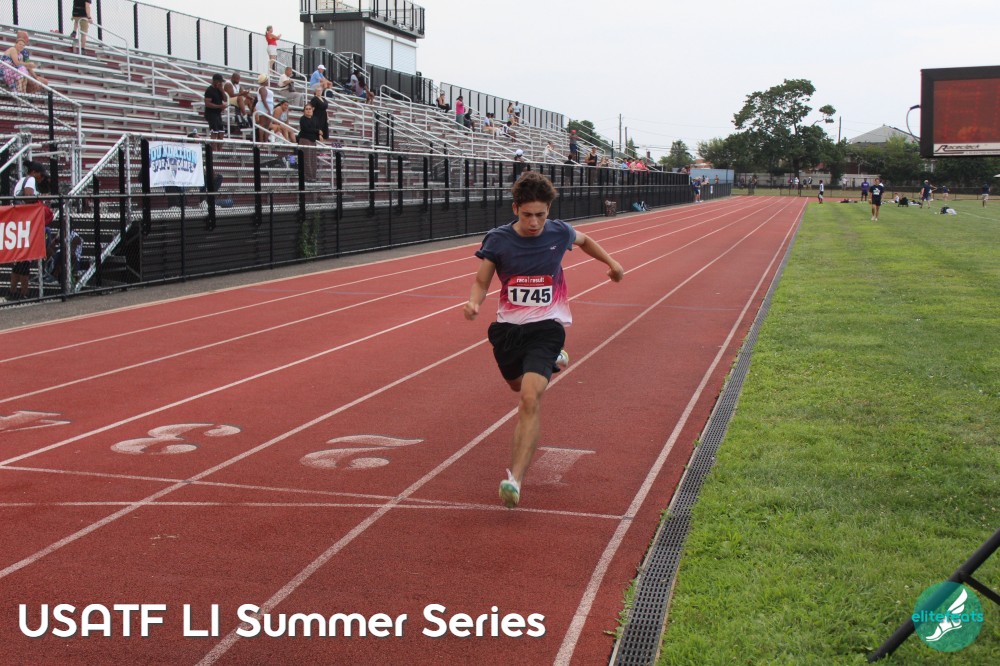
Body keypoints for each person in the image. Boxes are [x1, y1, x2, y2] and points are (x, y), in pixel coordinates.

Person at [463, 171, 624, 508]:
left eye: (540, 214)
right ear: (515, 209)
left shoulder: (559, 231)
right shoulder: (498, 240)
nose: (534, 222)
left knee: (529, 399)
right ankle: (554, 362)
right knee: (515, 385)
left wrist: (612, 263)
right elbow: (481, 280)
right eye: (527, 215)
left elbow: (585, 240)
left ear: (549, 210)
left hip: (547, 328)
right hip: (508, 331)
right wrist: (474, 302)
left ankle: (515, 480)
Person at [7, 162, 48, 300]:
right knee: (25, 261)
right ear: (34, 172)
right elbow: (28, 196)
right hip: (25, 222)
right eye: (41, 175)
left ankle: (12, 292)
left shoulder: (22, 180)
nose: (42, 178)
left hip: (19, 221)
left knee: (19, 262)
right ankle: (24, 294)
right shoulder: (30, 180)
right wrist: (41, 198)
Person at [297, 102, 323, 181]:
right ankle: (307, 177)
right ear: (304, 111)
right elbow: (306, 129)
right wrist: (317, 131)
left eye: (310, 109)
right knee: (306, 159)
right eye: (306, 109)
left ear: (312, 110)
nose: (308, 110)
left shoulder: (315, 119)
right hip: (305, 140)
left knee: (313, 159)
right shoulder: (302, 119)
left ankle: (313, 177)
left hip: (313, 141)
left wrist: (319, 135)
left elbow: (317, 129)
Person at [203, 73, 226, 145]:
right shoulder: (209, 90)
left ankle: (219, 150)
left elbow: (225, 99)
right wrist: (219, 106)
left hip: (218, 114)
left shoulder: (219, 90)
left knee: (221, 132)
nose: (220, 83)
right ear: (215, 81)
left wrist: (222, 90)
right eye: (219, 81)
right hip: (211, 114)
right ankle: (213, 150)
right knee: (214, 132)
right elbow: (207, 103)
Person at [254, 73, 274, 142]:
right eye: (267, 80)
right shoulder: (262, 88)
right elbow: (263, 99)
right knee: (262, 124)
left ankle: (265, 141)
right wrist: (268, 109)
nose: (268, 81)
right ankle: (262, 141)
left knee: (267, 125)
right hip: (264, 107)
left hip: (267, 106)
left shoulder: (264, 88)